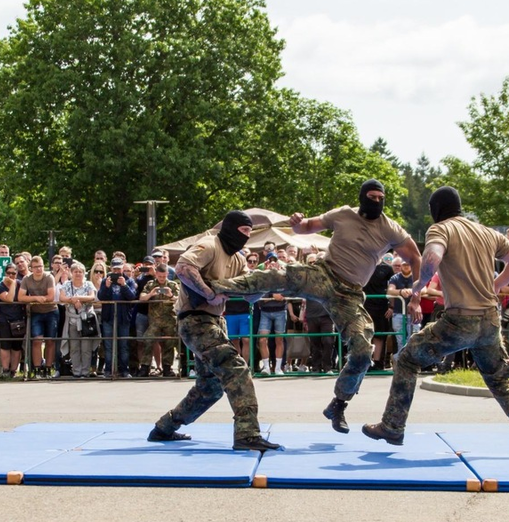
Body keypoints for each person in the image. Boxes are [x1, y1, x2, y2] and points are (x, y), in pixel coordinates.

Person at [209, 179, 422, 435]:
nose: (376, 202)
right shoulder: (344, 214)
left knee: (363, 351)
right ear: (362, 197)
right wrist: (297, 223)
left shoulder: (390, 228)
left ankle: (338, 404)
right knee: (279, 276)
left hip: (350, 293)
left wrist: (416, 297)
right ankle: (217, 286)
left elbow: (415, 257)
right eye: (372, 197)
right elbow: (308, 227)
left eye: (380, 198)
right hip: (324, 274)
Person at [361, 186, 509, 458]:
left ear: (436, 210)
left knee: (406, 360)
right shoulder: (486, 232)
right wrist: (497, 284)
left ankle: (392, 426)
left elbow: (433, 256)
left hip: (460, 319)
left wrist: (419, 285)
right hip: (489, 319)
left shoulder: (441, 229)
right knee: (500, 382)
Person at [147, 210, 280, 452]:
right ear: (230, 228)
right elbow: (183, 268)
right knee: (236, 369)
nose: (246, 236)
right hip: (195, 320)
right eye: (243, 231)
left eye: (250, 232)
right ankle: (247, 434)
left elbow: (250, 296)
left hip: (215, 321)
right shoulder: (210, 244)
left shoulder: (238, 259)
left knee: (210, 388)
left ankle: (164, 427)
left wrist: (269, 281)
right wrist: (209, 293)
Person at [19, 255, 59, 378]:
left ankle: (48, 368)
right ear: (31, 268)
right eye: (36, 267)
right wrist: (36, 298)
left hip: (51, 311)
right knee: (37, 340)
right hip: (36, 312)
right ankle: (36, 369)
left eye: (41, 266)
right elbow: (20, 297)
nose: (39, 269)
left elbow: (51, 296)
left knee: (50, 341)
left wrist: (37, 298)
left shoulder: (49, 277)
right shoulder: (26, 279)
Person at [139, 263, 180, 377]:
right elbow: (142, 298)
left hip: (169, 319)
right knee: (148, 340)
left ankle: (167, 368)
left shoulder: (172, 285)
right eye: (160, 276)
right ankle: (145, 367)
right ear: (156, 274)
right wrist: (151, 294)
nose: (162, 278)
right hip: (155, 320)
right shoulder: (151, 284)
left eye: (164, 276)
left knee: (169, 343)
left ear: (167, 274)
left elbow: (179, 299)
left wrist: (170, 295)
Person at [59, 261, 98, 378]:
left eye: (80, 272)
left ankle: (85, 372)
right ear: (71, 273)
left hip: (86, 320)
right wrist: (73, 300)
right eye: (75, 271)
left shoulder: (88, 284)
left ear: (84, 273)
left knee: (86, 347)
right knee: (74, 347)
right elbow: (62, 297)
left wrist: (78, 298)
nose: (78, 274)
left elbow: (92, 297)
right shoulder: (66, 284)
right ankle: (76, 371)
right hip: (72, 320)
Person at [0, 262, 24, 378]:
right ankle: (5, 370)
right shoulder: (1, 286)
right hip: (4, 320)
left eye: (14, 273)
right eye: (9, 273)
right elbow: (9, 299)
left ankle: (14, 371)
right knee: (5, 345)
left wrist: (15, 283)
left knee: (16, 346)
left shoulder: (21, 284)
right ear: (5, 273)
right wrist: (13, 284)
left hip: (18, 319)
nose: (11, 275)